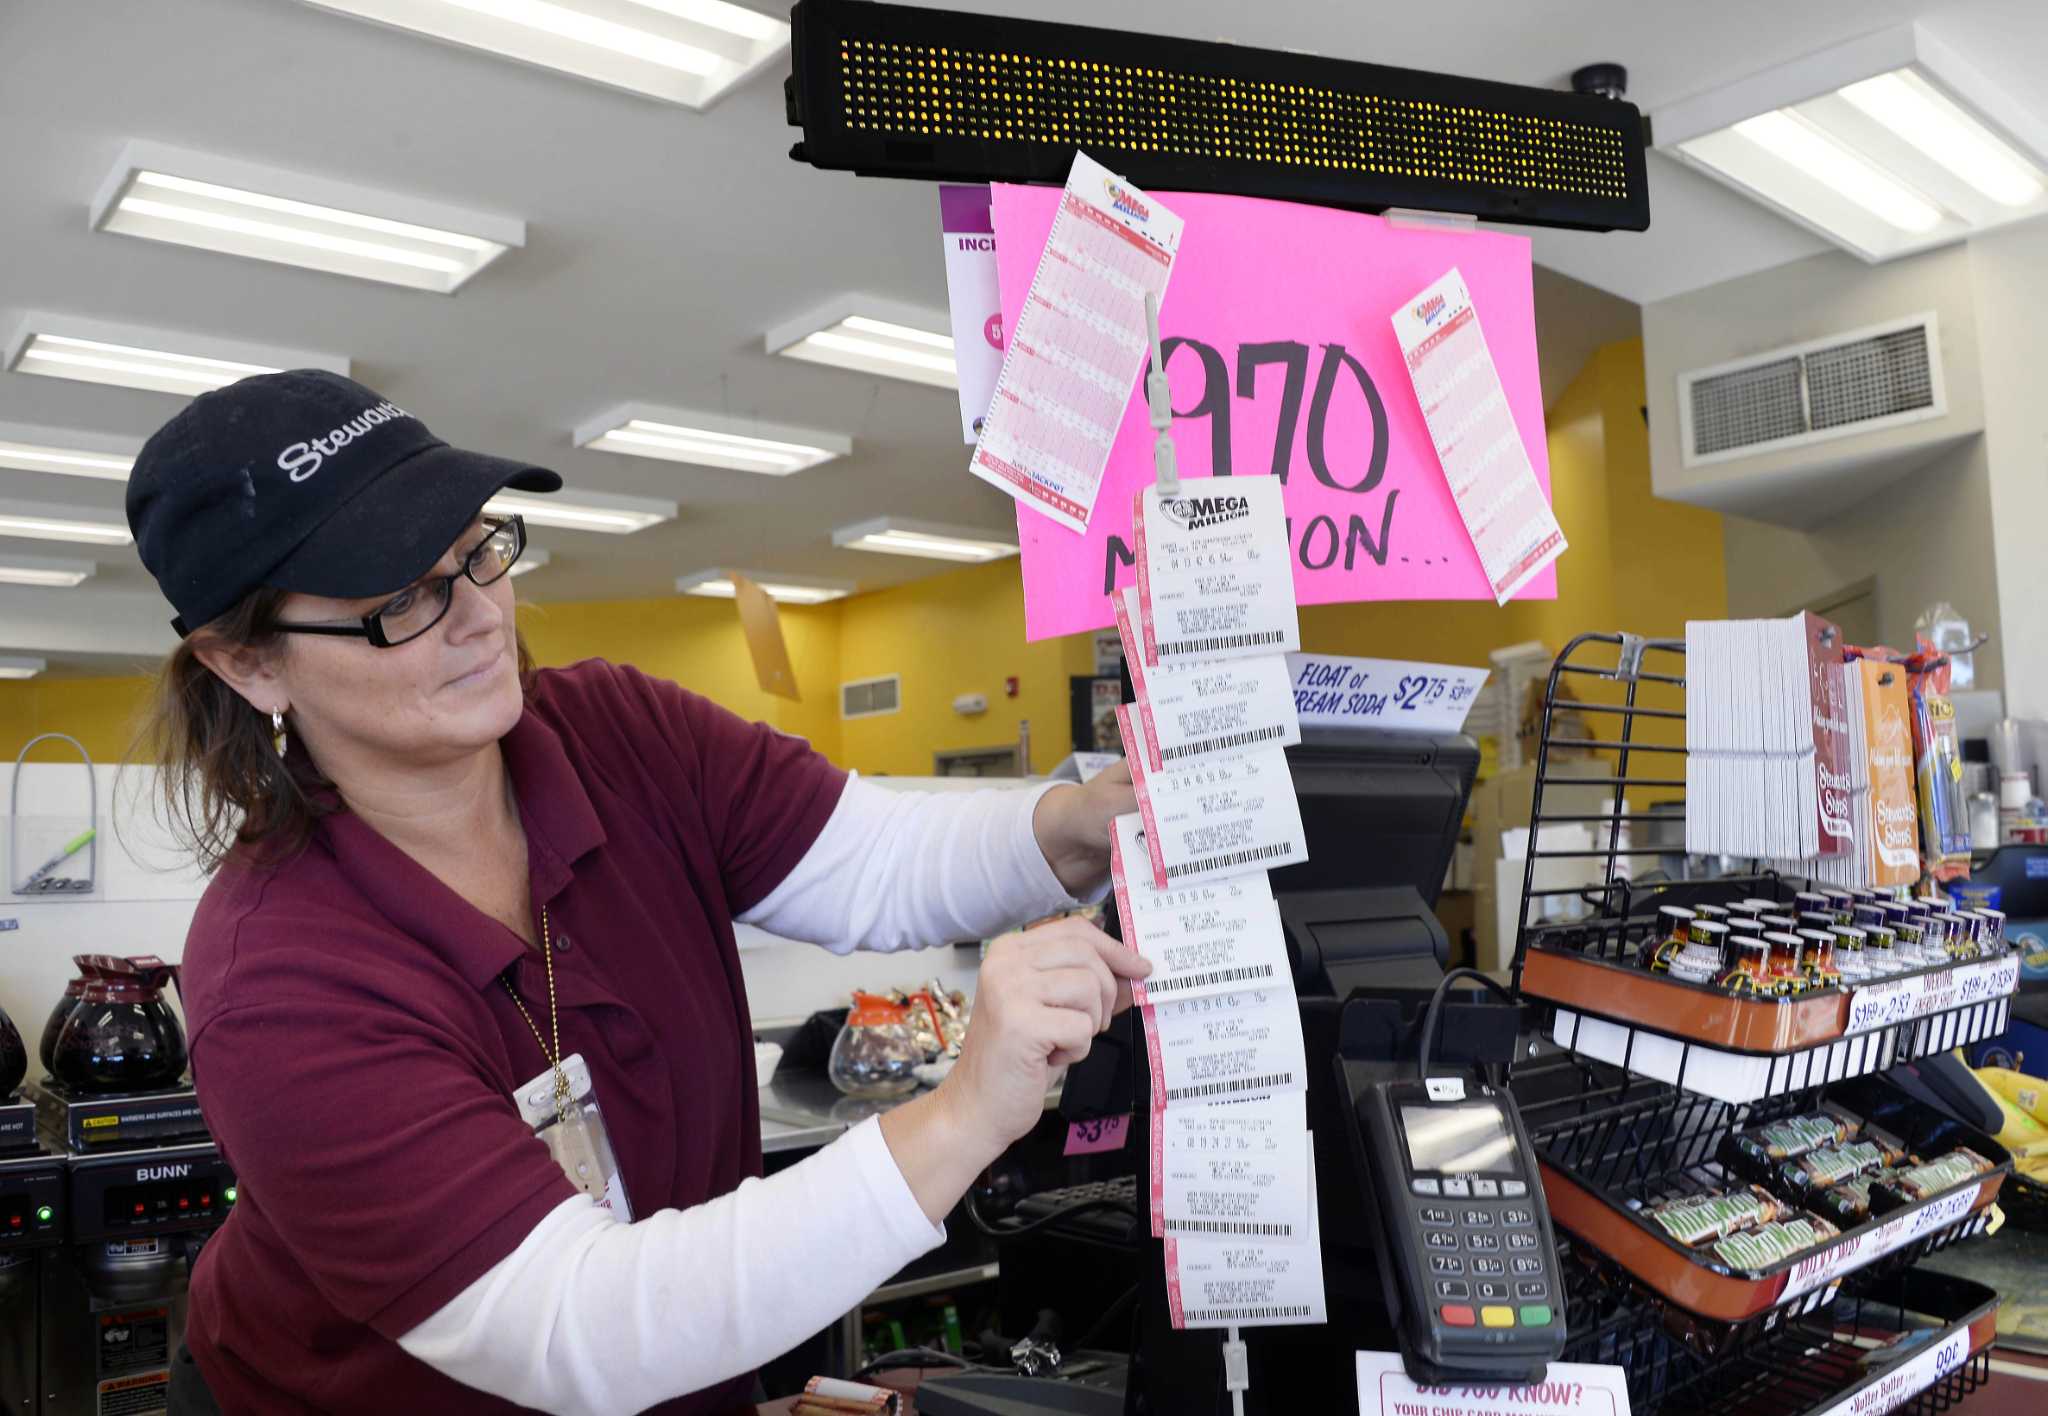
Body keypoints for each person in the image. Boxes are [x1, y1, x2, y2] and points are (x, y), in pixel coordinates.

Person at [125, 370, 1150, 1414]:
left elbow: (873, 859)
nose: (479, 616)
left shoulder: (618, 733)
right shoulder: (280, 978)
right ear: (247, 664)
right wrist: (963, 1114)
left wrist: (1069, 827)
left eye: (476, 551)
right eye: (401, 600)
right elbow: (580, 1326)